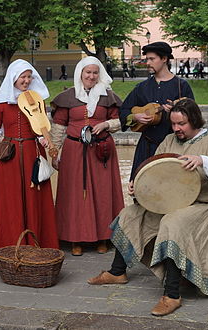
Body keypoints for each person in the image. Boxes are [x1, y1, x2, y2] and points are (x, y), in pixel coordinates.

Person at [88, 98, 208, 317]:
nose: (176, 129)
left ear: (195, 120)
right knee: (130, 214)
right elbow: (154, 174)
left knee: (172, 223)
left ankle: (172, 295)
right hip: (171, 203)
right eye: (173, 124)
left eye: (182, 124)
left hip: (203, 206)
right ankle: (117, 272)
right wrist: (139, 188)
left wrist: (202, 160)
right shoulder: (169, 141)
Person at [0, 59, 59, 265]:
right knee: (9, 202)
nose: (26, 81)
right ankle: (8, 247)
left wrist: (47, 143)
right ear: (13, 78)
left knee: (34, 200)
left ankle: (35, 246)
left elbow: (41, 128)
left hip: (32, 154)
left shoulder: (37, 101)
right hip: (9, 156)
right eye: (22, 77)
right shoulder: (1, 105)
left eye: (28, 77)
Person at [50, 56, 124, 256]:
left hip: (101, 152)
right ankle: (75, 239)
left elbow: (120, 121)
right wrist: (54, 153)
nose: (91, 76)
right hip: (74, 152)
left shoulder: (108, 96)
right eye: (87, 72)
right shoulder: (68, 96)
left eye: (94, 72)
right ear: (80, 74)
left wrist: (106, 124)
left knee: (102, 194)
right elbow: (58, 127)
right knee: (74, 196)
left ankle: (103, 237)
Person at [119, 41, 194, 182]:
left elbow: (193, 116)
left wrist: (175, 112)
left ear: (164, 59)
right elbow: (123, 111)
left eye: (152, 59)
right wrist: (135, 117)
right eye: (147, 59)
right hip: (146, 147)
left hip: (174, 146)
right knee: (142, 186)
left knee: (171, 187)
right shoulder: (142, 87)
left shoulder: (181, 86)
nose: (148, 62)